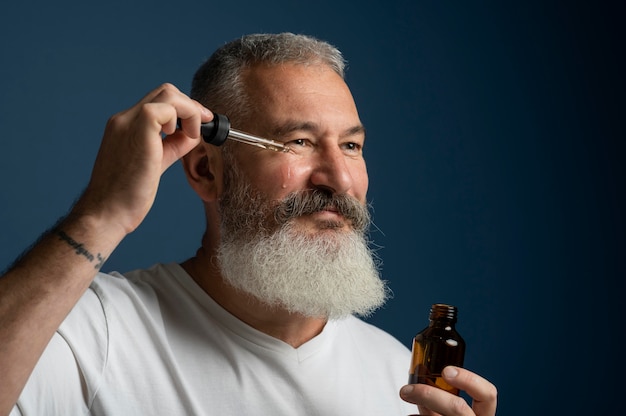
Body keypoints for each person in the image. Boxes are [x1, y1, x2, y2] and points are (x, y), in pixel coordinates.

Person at [0, 33, 497, 415]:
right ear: (204, 169)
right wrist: (100, 215)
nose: (339, 179)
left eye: (351, 146)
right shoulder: (97, 333)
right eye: (298, 142)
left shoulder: (398, 378)